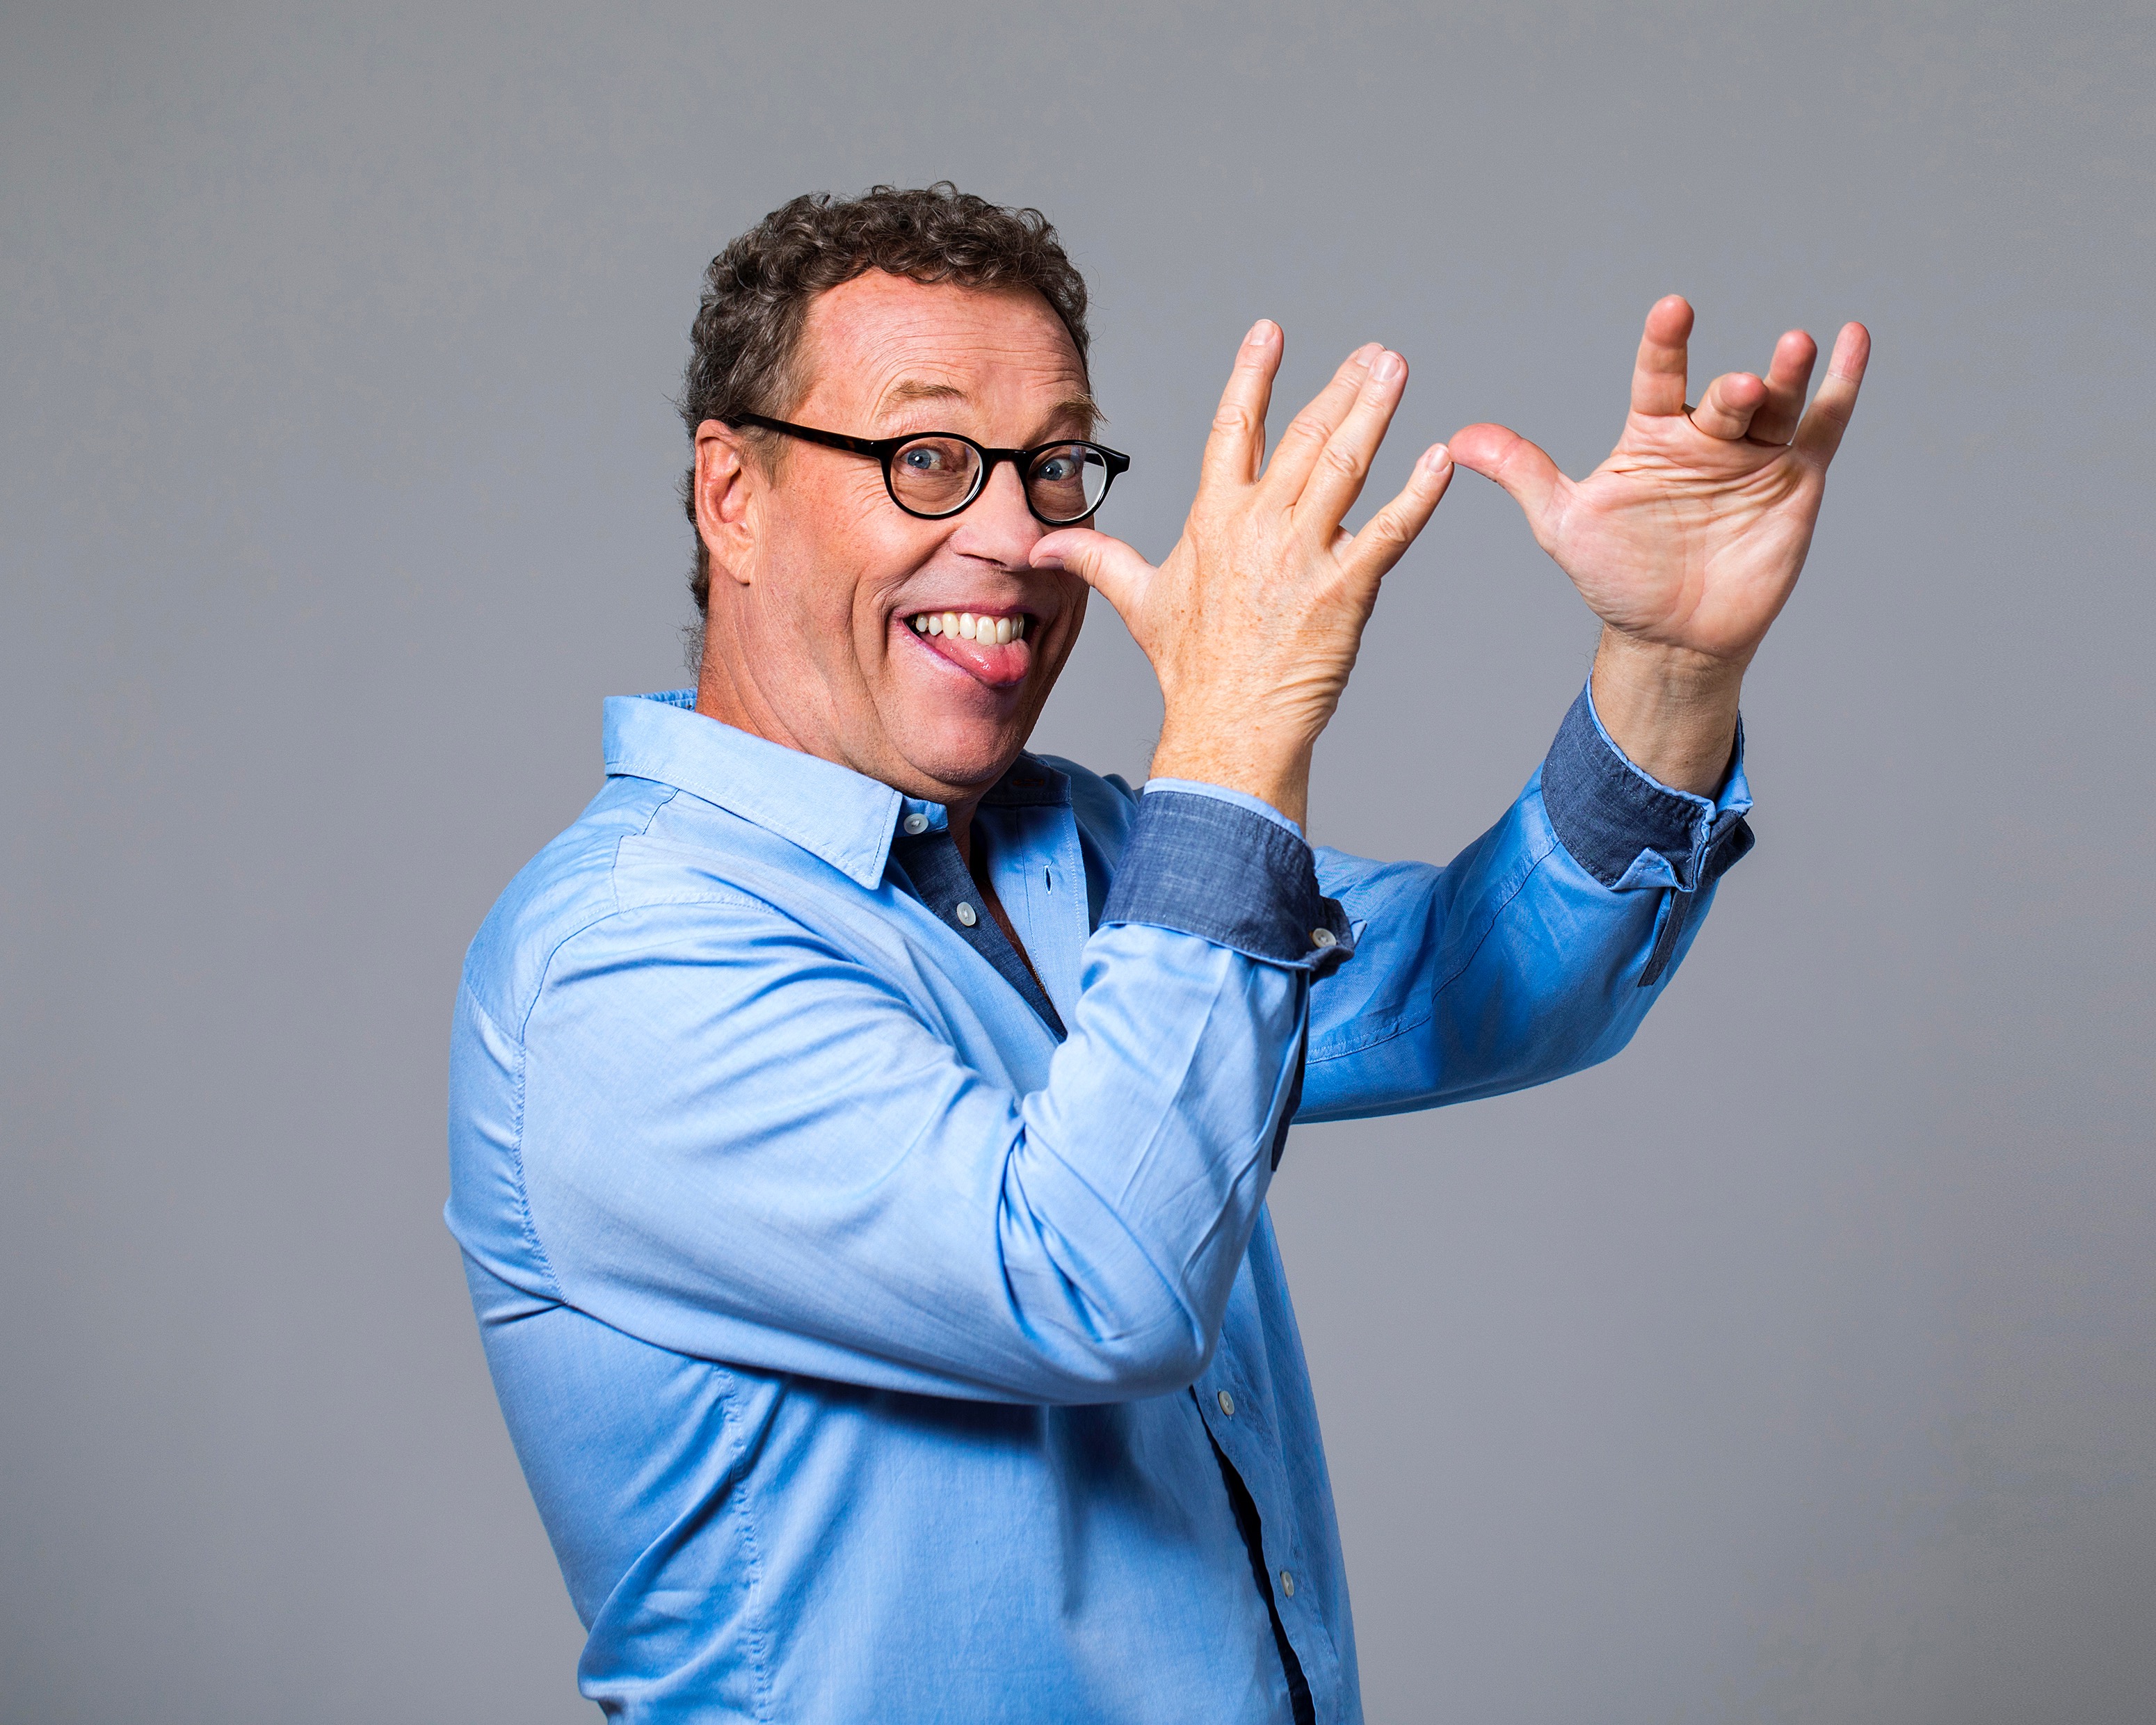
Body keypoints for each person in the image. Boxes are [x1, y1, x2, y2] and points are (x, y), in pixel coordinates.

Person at [447, 183, 1867, 1724]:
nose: (1016, 536)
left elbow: (1484, 993)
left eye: (1052, 466)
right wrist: (1236, 730)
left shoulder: (1087, 849)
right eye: (926, 459)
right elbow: (1092, 1279)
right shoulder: (622, 958)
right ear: (732, 495)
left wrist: (1671, 665)